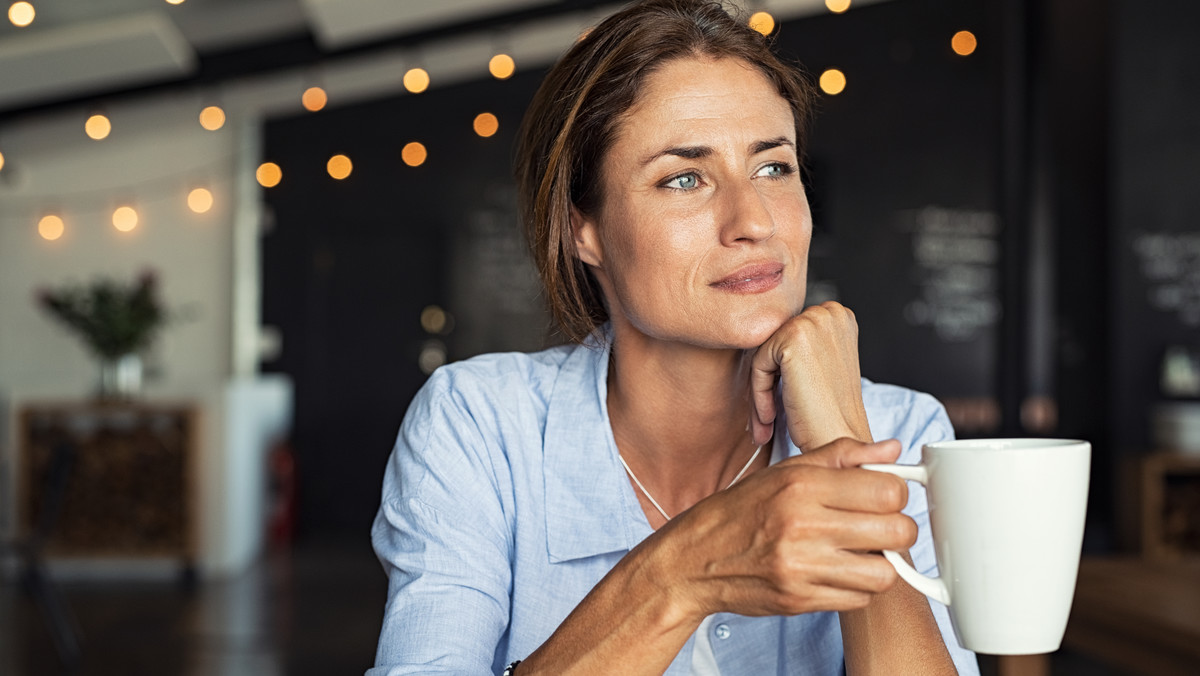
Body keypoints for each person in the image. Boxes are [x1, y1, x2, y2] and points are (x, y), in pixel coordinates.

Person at [369, 1, 979, 674]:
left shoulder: (903, 430)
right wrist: (683, 572)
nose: (753, 221)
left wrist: (843, 443)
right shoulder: (480, 423)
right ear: (584, 230)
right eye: (683, 178)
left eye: (773, 167)